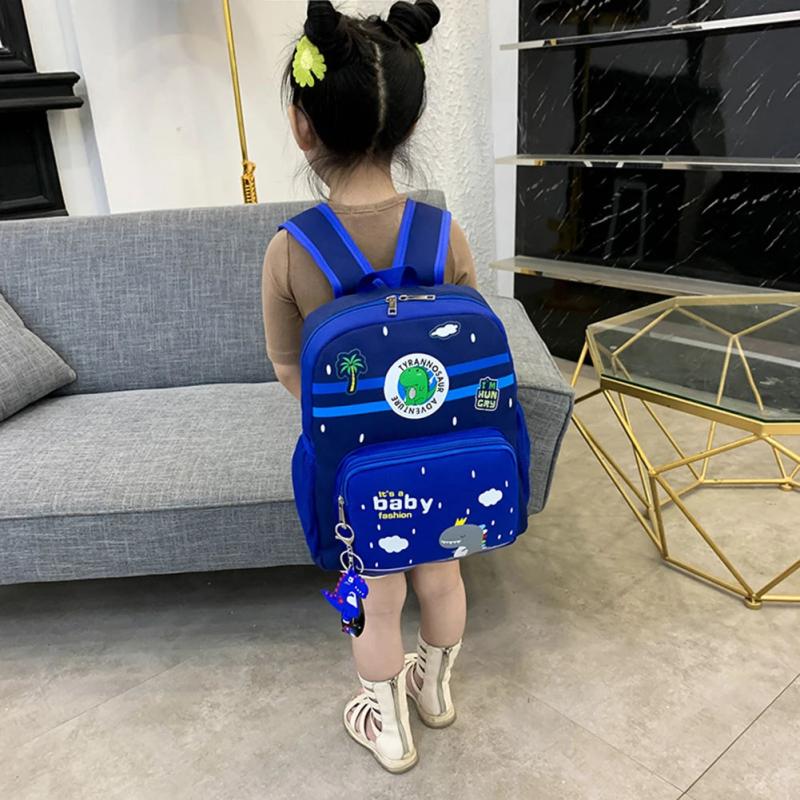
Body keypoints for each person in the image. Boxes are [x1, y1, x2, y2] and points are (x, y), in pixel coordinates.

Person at [262, 0, 476, 774]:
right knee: (444, 577)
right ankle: (436, 693)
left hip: (354, 469)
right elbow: (470, 350)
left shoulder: (291, 250)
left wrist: (356, 418)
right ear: (410, 123)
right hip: (449, 458)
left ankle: (386, 727)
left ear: (302, 127)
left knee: (371, 597)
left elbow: (289, 367)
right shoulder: (444, 233)